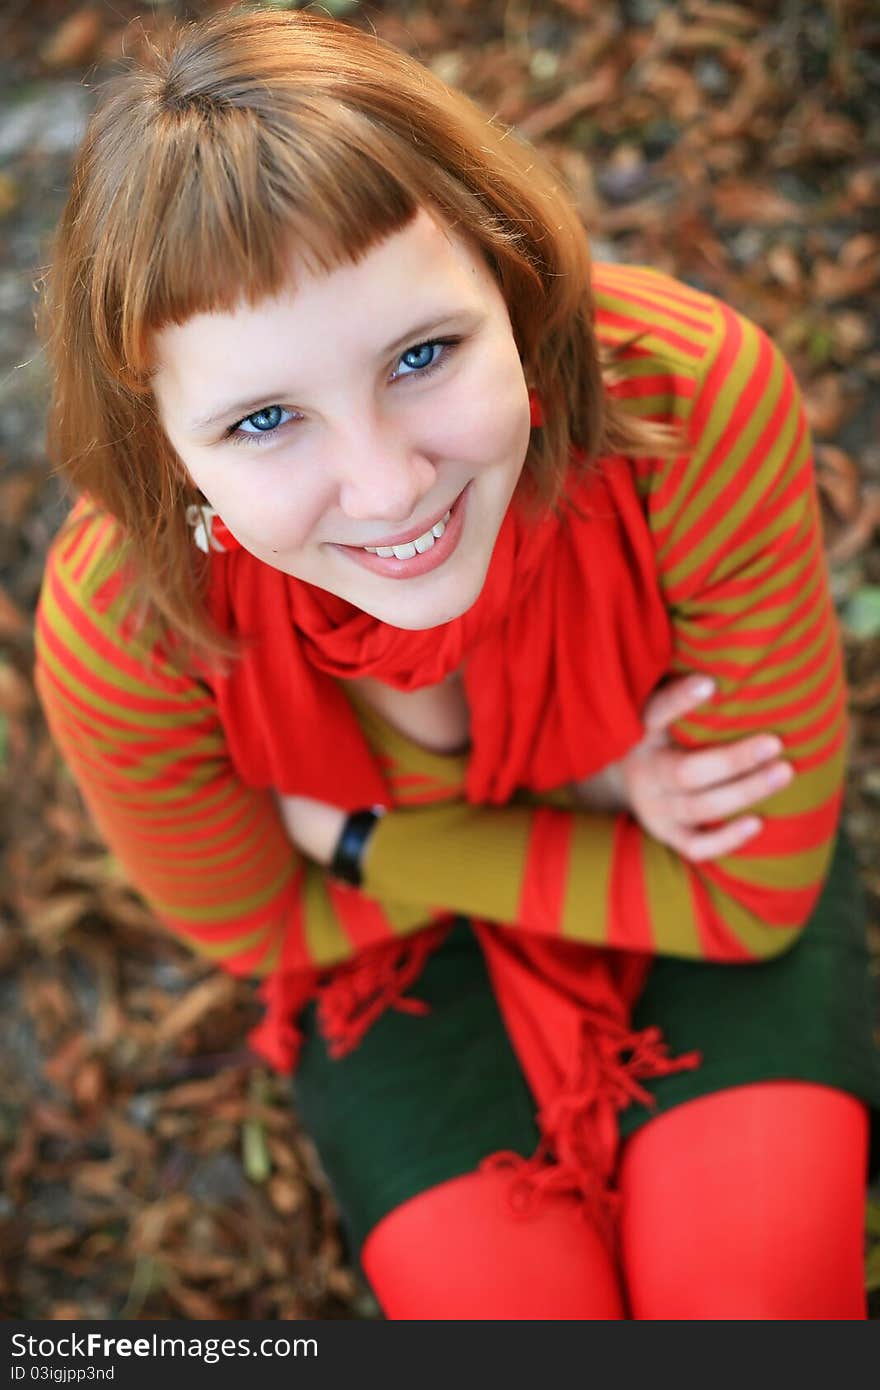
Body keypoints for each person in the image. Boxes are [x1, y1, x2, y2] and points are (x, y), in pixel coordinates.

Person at [34, 8, 879, 1319]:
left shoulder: (686, 407)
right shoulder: (125, 623)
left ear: (513, 281)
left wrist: (364, 842)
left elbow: (755, 891)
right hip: (412, 957)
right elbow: (259, 925)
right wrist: (600, 803)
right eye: (264, 419)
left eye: (422, 354)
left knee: (755, 1315)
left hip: (583, 888)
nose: (386, 486)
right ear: (165, 447)